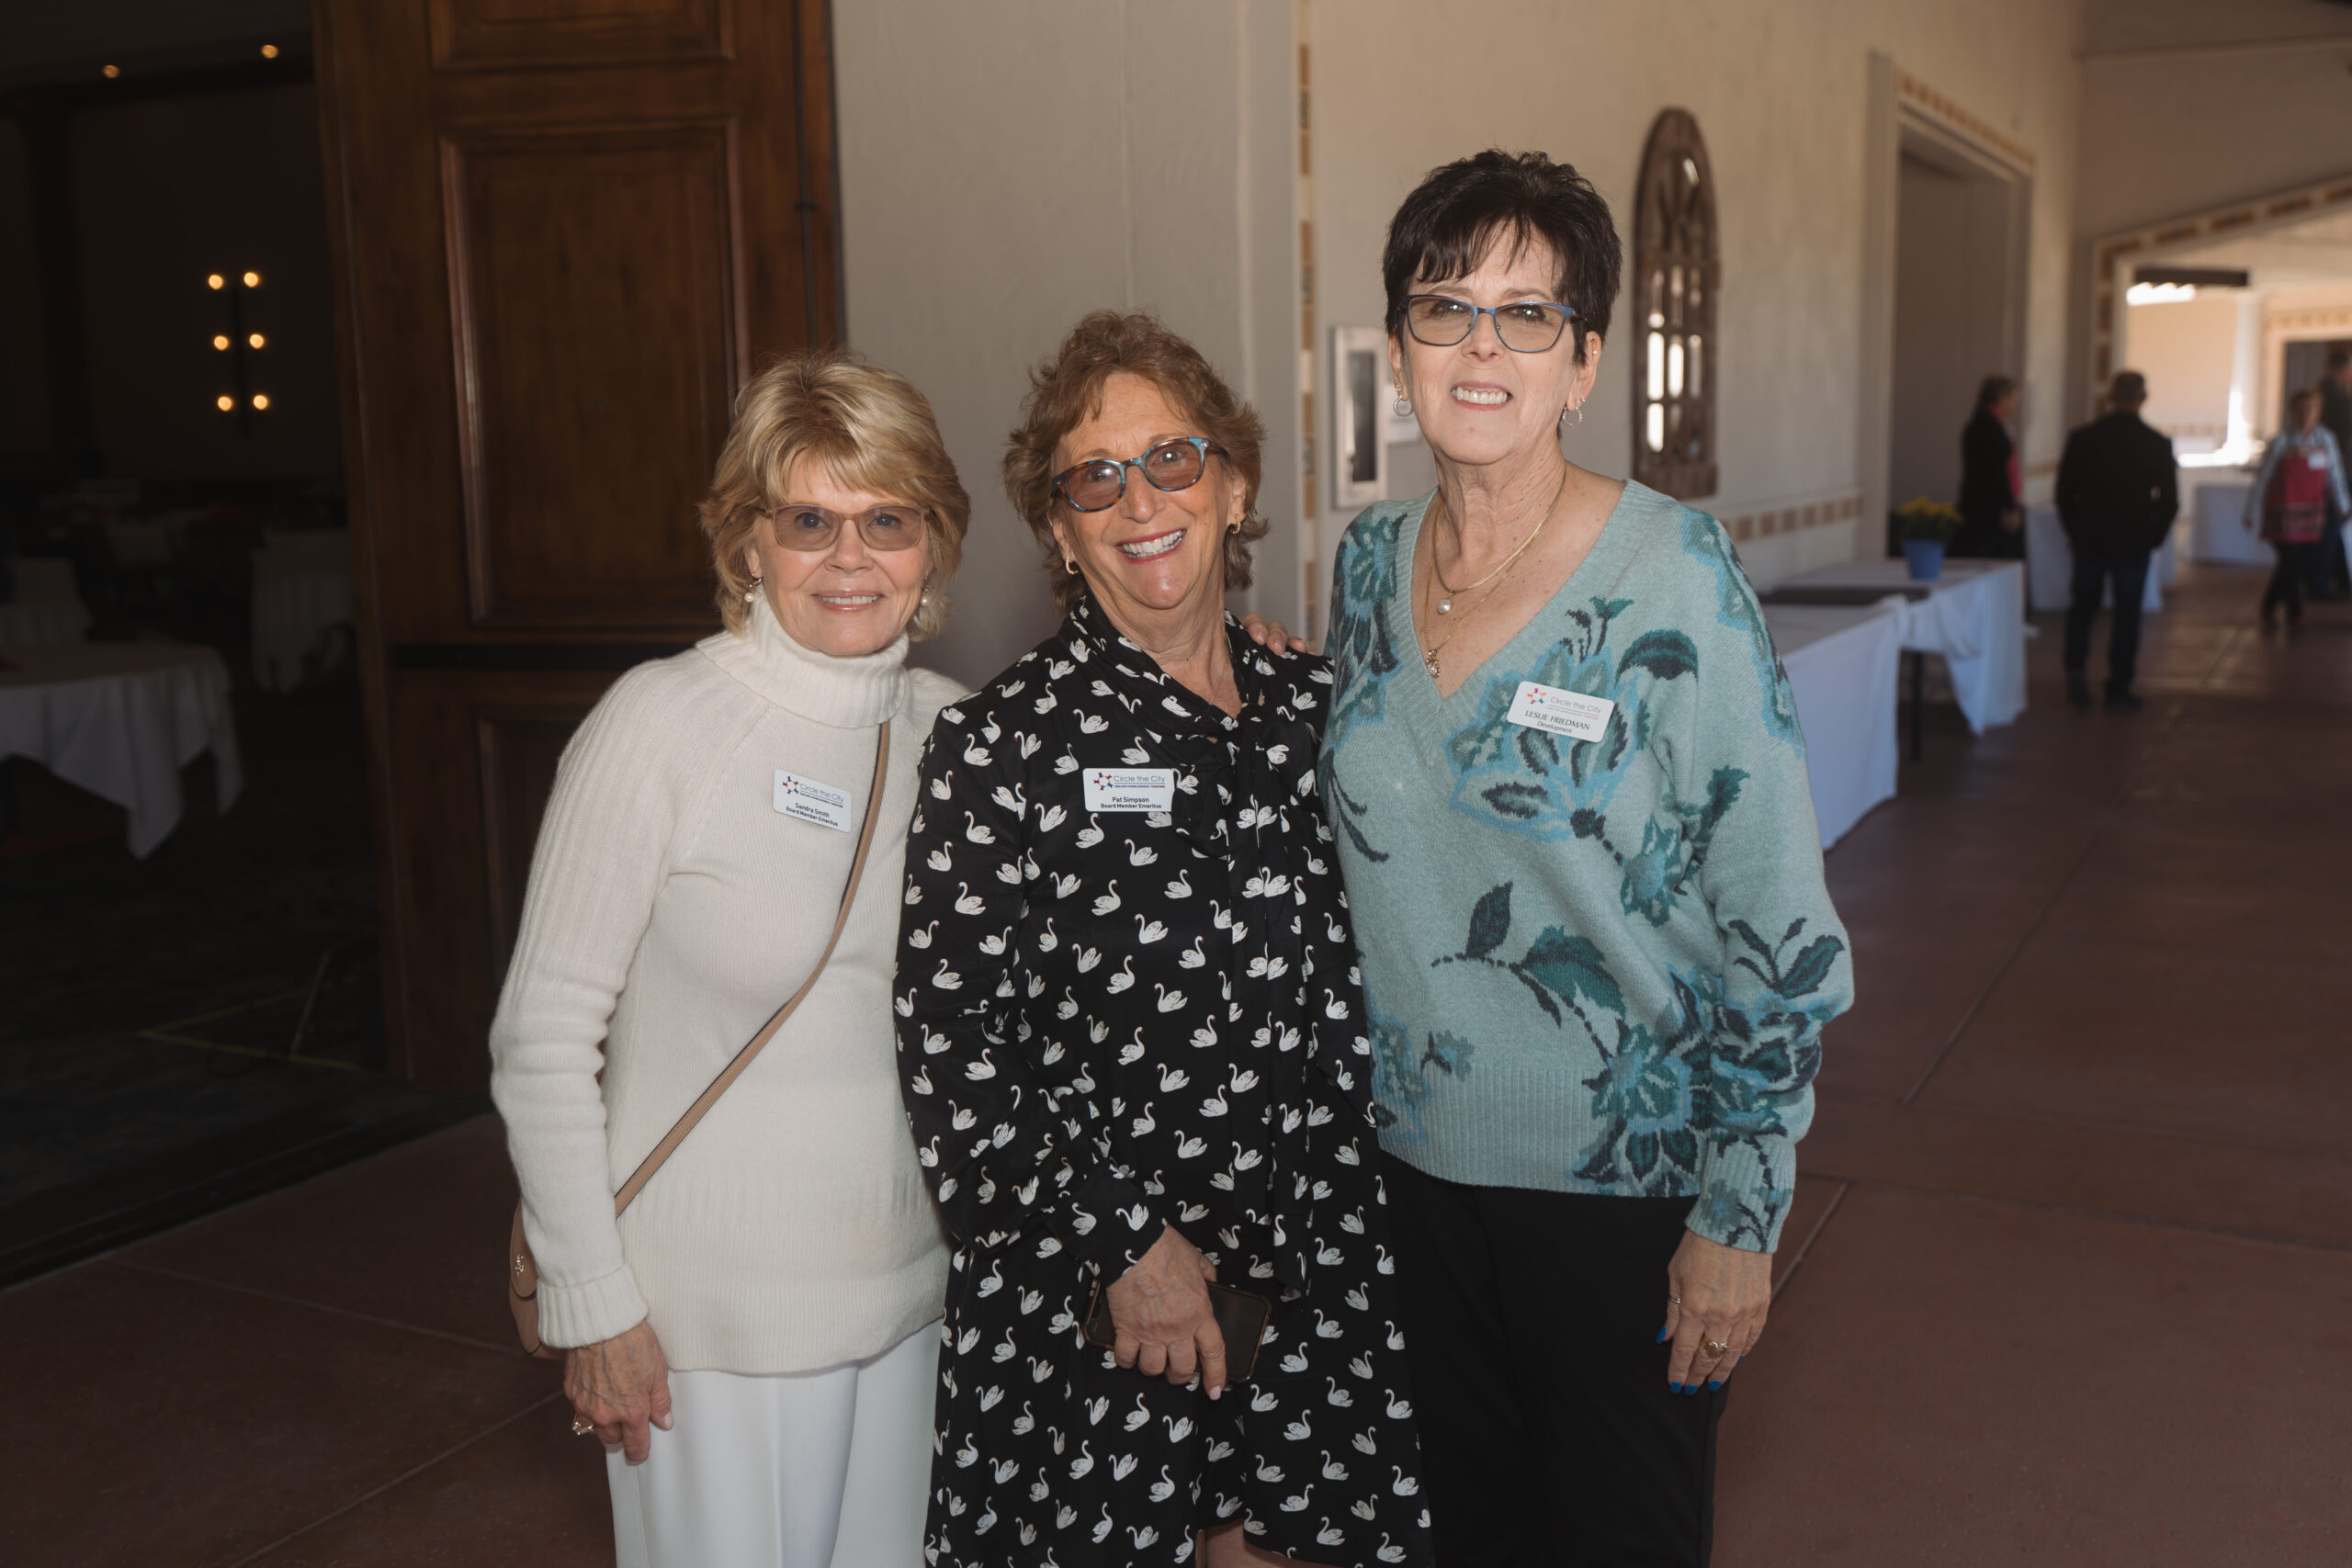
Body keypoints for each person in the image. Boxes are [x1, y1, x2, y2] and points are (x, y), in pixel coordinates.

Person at [1316, 149, 1854, 1568]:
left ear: (1585, 359)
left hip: (1627, 1190)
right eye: (1445, 308)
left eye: (1527, 313)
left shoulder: (1675, 571)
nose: (1481, 347)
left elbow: (1781, 921)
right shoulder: (1365, 563)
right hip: (1413, 1174)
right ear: (1401, 348)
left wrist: (1742, 1208)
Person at [895, 310, 1434, 1568]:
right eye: (1094, 477)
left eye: (1172, 459)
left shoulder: (1325, 711)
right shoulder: (1000, 748)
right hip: (1109, 1298)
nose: (1140, 500)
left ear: (1233, 487)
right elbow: (952, 1045)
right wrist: (1123, 1243)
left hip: (1325, 1276)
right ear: (1059, 530)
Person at [492, 353, 971, 1568]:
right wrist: (593, 1297)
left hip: (910, 1298)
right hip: (701, 1322)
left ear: (932, 545)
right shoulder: (660, 723)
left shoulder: (955, 731)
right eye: (809, 520)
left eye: (887, 519)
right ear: (749, 541)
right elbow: (541, 1039)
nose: (851, 556)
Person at [2054, 370, 2177, 710]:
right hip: (2133, 541)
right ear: (2143, 398)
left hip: (2090, 538)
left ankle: (2076, 673)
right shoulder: (2156, 443)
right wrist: (2152, 537)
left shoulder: (2083, 438)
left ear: (2111, 397)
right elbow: (2168, 502)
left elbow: (2064, 494)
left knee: (2082, 607)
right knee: (2127, 614)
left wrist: (2075, 530)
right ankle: (2119, 687)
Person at [2243, 386, 2351, 630]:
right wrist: (2251, 511)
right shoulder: (2280, 443)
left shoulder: (2326, 440)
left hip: (2310, 514)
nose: (2305, 415)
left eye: (2310, 409)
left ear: (2318, 412)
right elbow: (2263, 479)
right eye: (2300, 410)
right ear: (2292, 413)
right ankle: (2295, 612)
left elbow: (2335, 475)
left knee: (2296, 563)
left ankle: (2270, 605)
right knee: (2290, 560)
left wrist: (2343, 503)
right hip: (2282, 514)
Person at [1952, 374, 2023, 558]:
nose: (2016, 403)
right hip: (1988, 511)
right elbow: (1997, 473)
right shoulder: (1987, 428)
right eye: (2014, 398)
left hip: (1987, 507)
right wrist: (2009, 506)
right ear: (2002, 398)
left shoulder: (1990, 425)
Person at [2316, 349, 2352, 598]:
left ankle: (2336, 578)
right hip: (2340, 470)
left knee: (2334, 526)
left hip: (2331, 468)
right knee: (2332, 525)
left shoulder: (2324, 393)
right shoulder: (2336, 397)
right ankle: (2322, 582)